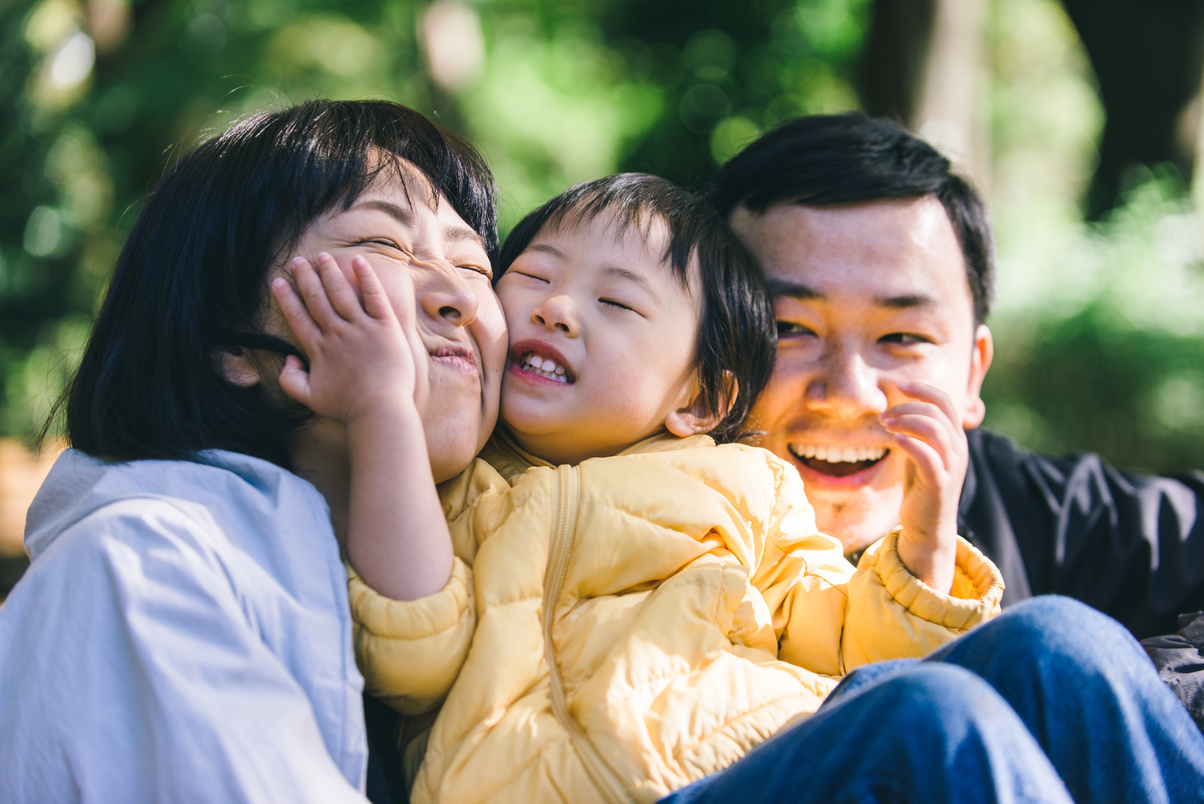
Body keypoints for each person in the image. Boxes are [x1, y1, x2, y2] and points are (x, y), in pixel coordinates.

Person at [276, 171, 1204, 804]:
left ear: (700, 398)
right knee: (933, 715)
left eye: (616, 303)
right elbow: (412, 653)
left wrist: (924, 540)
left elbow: (839, 637)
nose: (558, 308)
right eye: (533, 278)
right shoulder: (454, 488)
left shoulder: (748, 485)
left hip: (774, 768)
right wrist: (386, 416)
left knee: (1058, 638)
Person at [0, 98, 506, 803]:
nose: (457, 294)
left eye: (475, 264)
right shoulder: (139, 564)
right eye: (386, 245)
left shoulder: (522, 578)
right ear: (231, 342)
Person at [702, 111, 1204, 730]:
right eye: (788, 329)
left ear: (972, 372)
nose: (851, 393)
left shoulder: (1041, 514)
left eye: (902, 336)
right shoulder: (613, 516)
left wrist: (1118, 699)